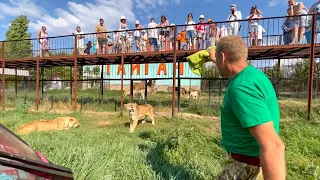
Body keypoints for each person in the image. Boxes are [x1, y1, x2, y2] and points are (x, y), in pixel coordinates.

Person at [206, 36, 286, 180]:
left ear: (223, 57)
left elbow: (274, 146)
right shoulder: (252, 76)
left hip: (247, 167)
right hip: (250, 161)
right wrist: (215, 58)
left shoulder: (242, 88)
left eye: (217, 58)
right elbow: (232, 72)